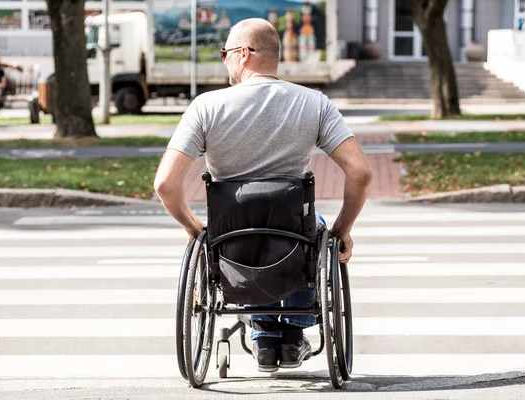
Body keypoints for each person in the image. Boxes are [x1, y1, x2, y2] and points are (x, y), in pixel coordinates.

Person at [153, 18, 372, 373]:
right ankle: (291, 334)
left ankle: (263, 332)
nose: (223, 60)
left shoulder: (206, 107)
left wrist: (193, 227)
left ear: (243, 54)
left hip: (231, 234)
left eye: (225, 53)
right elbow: (361, 172)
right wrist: (343, 228)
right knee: (314, 230)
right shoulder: (313, 103)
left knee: (241, 235)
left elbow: (165, 184)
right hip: (291, 230)